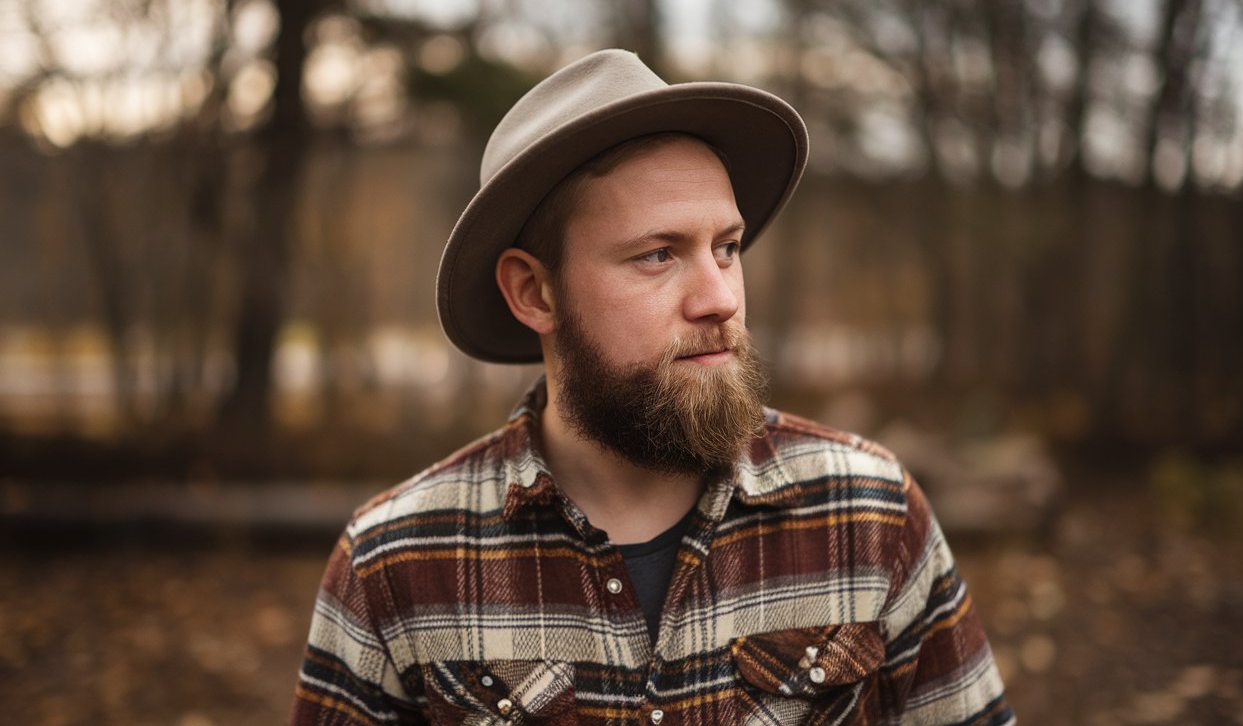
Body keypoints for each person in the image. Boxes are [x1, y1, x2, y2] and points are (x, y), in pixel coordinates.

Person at [291, 49, 1013, 725]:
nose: (720, 298)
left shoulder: (871, 517)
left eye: (726, 248)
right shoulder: (396, 564)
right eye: (658, 255)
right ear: (534, 292)